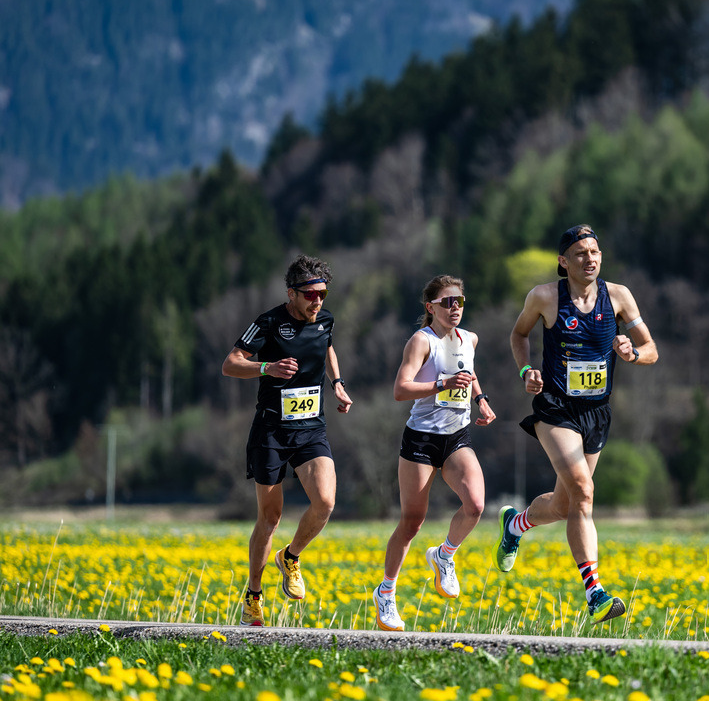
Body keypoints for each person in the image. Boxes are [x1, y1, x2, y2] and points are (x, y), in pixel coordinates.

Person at [496, 224, 658, 623]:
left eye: (595, 252)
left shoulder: (618, 297)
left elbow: (652, 349)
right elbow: (518, 335)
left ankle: (515, 525)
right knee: (584, 491)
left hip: (596, 413)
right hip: (555, 408)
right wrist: (526, 371)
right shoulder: (545, 297)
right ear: (563, 261)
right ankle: (595, 593)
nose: (590, 259)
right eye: (581, 253)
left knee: (566, 504)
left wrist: (632, 352)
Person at [222, 254, 353, 627]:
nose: (318, 302)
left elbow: (326, 346)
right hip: (271, 432)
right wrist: (267, 367)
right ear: (291, 293)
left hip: (311, 427)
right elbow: (230, 363)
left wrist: (338, 384)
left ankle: (291, 557)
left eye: (323, 294)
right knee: (270, 517)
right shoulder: (268, 323)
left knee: (325, 501)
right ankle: (254, 593)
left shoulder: (325, 319)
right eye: (310, 295)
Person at [373, 275, 496, 632]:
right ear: (431, 308)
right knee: (412, 522)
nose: (454, 308)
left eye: (459, 301)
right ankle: (387, 591)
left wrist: (481, 400)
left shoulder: (469, 338)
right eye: (447, 302)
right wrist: (441, 383)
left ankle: (444, 555)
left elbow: (469, 373)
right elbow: (401, 389)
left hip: (456, 436)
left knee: (475, 504)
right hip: (421, 440)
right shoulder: (421, 341)